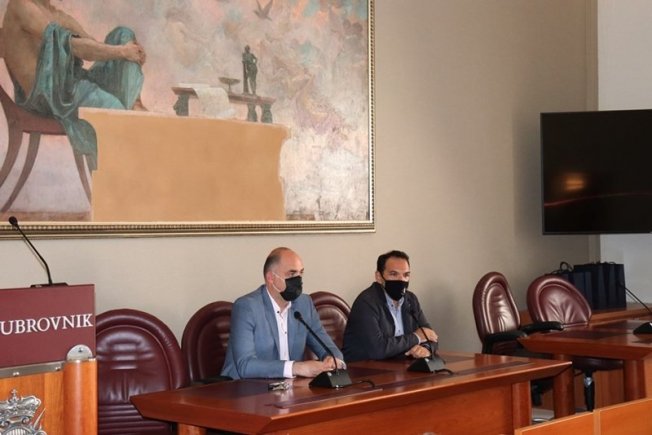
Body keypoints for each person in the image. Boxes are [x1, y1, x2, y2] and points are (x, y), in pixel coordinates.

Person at [2, 0, 147, 171]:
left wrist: (129, 51)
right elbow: (77, 48)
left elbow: (93, 47)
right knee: (112, 110)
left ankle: (133, 104)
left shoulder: (56, 14)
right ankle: (118, 173)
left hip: (70, 85)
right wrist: (123, 52)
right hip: (49, 97)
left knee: (123, 34)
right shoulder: (20, 6)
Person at [221, 247, 345, 380]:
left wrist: (332, 360)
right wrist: (296, 368)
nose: (298, 280)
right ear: (271, 278)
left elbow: (329, 348)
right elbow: (245, 365)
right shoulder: (247, 307)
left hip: (288, 388)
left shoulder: (304, 304)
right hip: (243, 388)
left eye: (300, 273)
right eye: (291, 274)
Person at [342, 250, 439, 362]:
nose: (401, 280)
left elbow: (431, 336)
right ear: (379, 277)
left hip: (400, 366)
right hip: (364, 368)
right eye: (394, 274)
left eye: (406, 275)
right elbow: (377, 349)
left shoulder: (410, 299)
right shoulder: (366, 303)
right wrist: (416, 338)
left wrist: (425, 348)